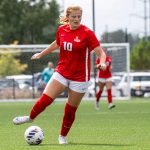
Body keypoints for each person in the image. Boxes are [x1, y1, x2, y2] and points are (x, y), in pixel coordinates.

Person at [13, 5, 106, 144]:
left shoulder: (87, 33)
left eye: (79, 16)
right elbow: (57, 44)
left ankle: (62, 136)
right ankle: (31, 117)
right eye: (73, 16)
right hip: (62, 71)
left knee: (70, 110)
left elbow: (101, 53)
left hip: (80, 77)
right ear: (67, 17)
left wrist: (102, 63)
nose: (76, 19)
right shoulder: (62, 30)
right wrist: (41, 54)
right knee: (45, 99)